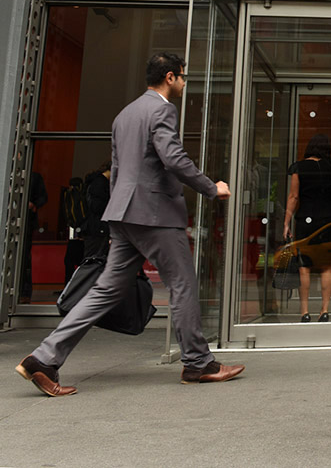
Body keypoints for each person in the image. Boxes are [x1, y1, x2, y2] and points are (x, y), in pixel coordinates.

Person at [16, 52, 245, 397]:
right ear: (170, 77)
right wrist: (212, 188)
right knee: (183, 285)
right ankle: (198, 364)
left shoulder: (125, 114)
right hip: (154, 215)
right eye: (183, 77)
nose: (184, 84)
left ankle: (43, 359)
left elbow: (118, 169)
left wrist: (117, 211)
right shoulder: (162, 110)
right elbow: (173, 158)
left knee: (105, 290)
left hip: (123, 213)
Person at [282, 133, 331, 323]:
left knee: (305, 266)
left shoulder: (299, 168)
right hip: (329, 220)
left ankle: (304, 312)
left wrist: (286, 221)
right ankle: (324, 310)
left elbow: (293, 197)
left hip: (306, 220)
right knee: (326, 266)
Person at [18, 171, 47, 302]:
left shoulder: (34, 177)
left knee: (24, 258)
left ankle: (24, 293)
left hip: (27, 221)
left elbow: (43, 197)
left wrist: (33, 205)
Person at [81, 161, 112, 258]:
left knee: (94, 258)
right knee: (95, 258)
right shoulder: (100, 183)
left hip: (94, 227)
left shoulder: (95, 182)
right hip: (98, 227)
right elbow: (97, 206)